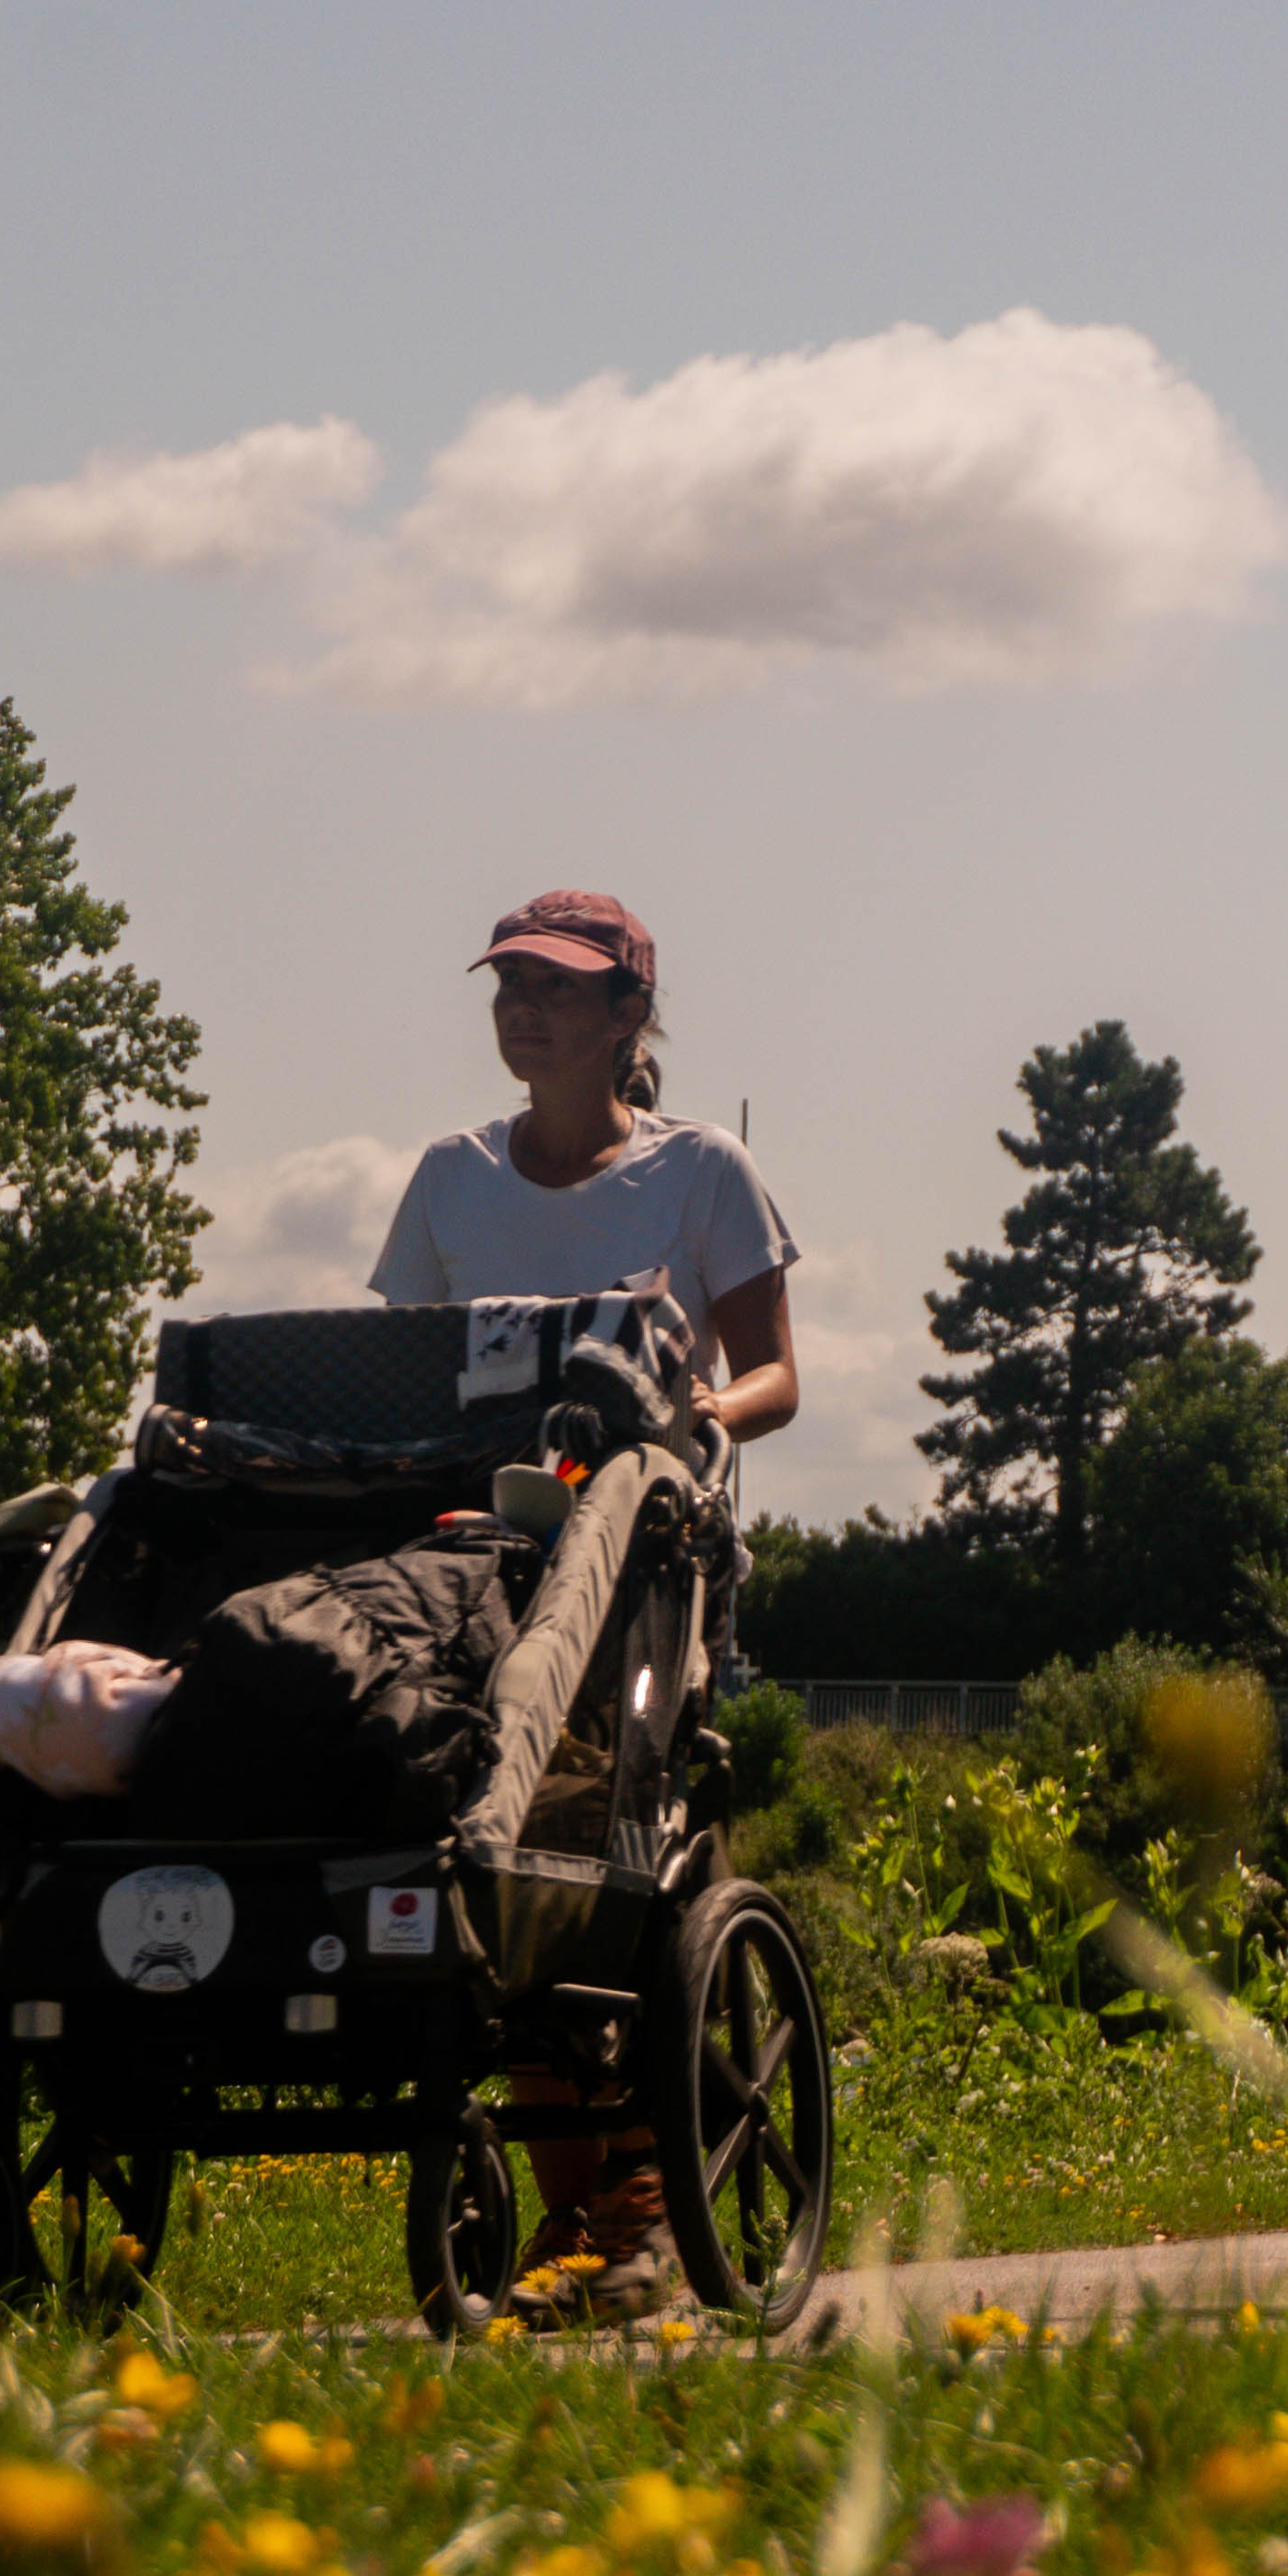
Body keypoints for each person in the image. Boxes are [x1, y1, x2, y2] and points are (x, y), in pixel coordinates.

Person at [369, 889, 798, 2324]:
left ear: (628, 1018)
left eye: (555, 990)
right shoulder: (447, 1177)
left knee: (575, 1853)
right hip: (473, 1566)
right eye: (506, 987)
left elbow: (774, 1381)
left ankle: (622, 2216)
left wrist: (687, 1413)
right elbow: (405, 1381)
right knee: (479, 1841)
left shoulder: (700, 1173)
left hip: (644, 1574)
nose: (521, 1010)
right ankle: (586, 2216)